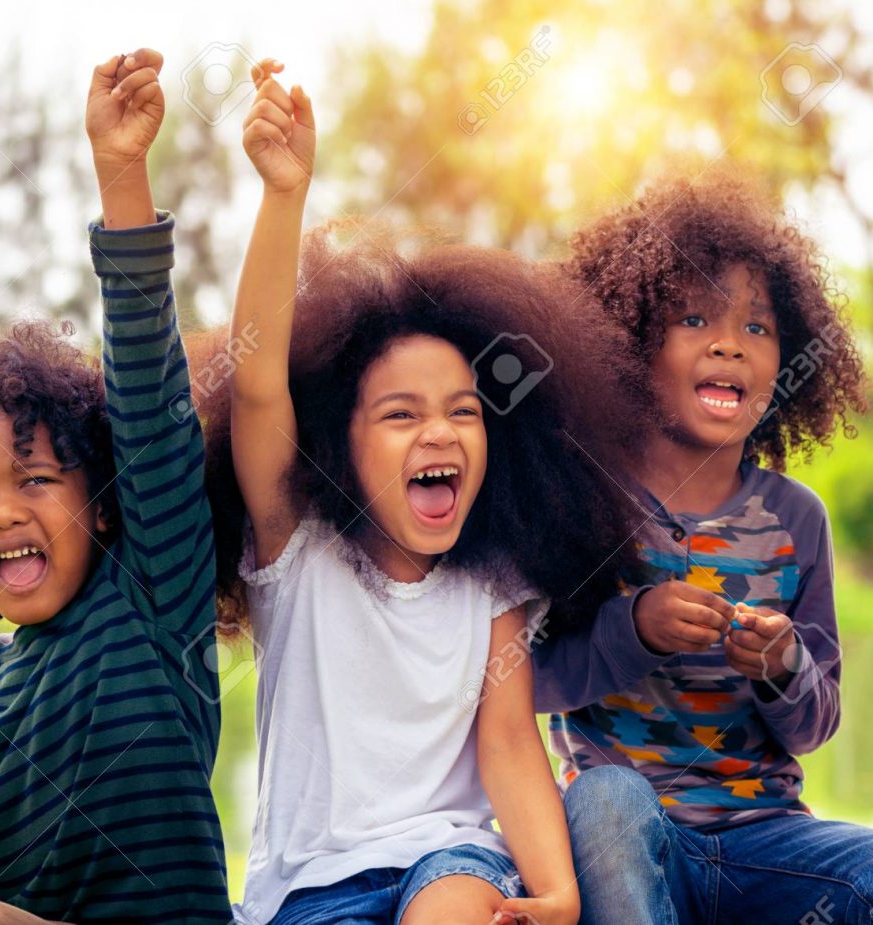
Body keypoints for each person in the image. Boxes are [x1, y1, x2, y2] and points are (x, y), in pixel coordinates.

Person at [188, 58, 655, 925]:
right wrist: (285, 196)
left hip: (451, 858)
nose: (438, 433)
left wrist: (554, 891)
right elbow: (256, 384)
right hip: (309, 886)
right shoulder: (296, 550)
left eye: (463, 413)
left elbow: (510, 741)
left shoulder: (493, 581)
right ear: (338, 444)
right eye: (401, 415)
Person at [0, 49, 232, 924]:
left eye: (34, 477)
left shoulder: (151, 597)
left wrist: (121, 172)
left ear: (102, 498)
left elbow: (147, 392)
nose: (5, 511)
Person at [533, 170, 871, 924]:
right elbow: (530, 680)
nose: (729, 343)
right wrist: (633, 627)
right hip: (631, 838)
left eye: (757, 327)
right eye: (695, 319)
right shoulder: (588, 502)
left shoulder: (796, 519)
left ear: (787, 363)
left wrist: (783, 666)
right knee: (606, 800)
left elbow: (816, 725)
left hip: (768, 841)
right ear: (627, 343)